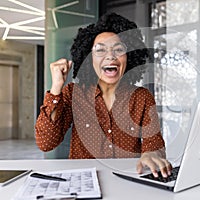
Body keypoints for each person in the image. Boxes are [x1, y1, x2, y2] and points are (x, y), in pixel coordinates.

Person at [35, 12, 172, 178]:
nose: (110, 56)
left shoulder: (141, 97)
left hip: (127, 181)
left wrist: (152, 153)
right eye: (100, 50)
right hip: (83, 181)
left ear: (128, 57)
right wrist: (56, 86)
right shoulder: (73, 93)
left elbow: (154, 142)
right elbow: (46, 142)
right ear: (89, 58)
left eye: (118, 49)